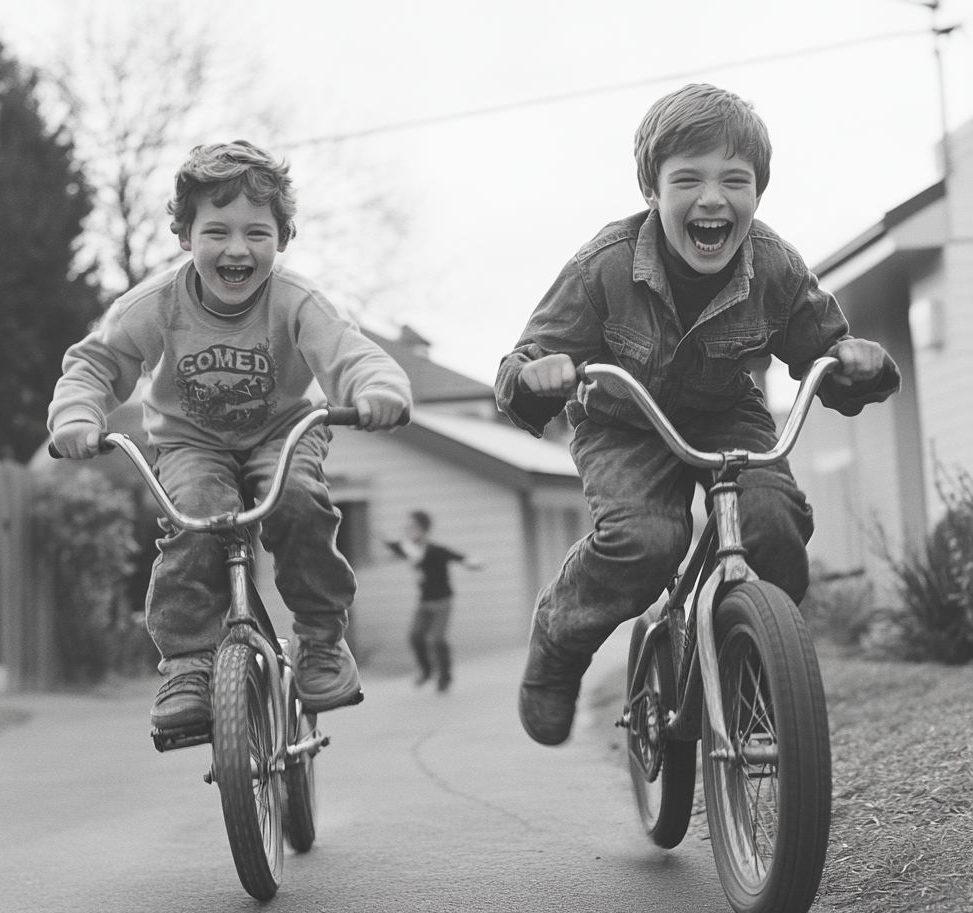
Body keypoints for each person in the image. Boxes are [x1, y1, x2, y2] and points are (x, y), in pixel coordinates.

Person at [495, 83, 900, 746]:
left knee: (773, 523)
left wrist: (858, 363)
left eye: (733, 181)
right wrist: (537, 376)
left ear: (756, 195)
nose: (712, 199)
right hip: (625, 420)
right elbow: (525, 363)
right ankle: (559, 642)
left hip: (725, 412)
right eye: (688, 179)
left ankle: (753, 668)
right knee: (647, 543)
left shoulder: (773, 263)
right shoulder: (604, 266)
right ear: (652, 191)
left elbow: (825, 348)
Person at [48, 140, 412, 733]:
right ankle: (189, 663)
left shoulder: (297, 301)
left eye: (257, 234)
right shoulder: (155, 304)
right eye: (216, 232)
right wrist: (76, 418)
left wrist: (376, 391)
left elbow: (349, 353)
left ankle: (321, 640)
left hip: (284, 434)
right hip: (191, 443)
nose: (237, 249)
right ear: (185, 236)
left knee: (297, 500)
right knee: (194, 516)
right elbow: (95, 364)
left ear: (284, 239)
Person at [384, 511, 483, 691]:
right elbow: (393, 544)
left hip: (443, 602)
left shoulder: (436, 550)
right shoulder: (408, 549)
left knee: (437, 639)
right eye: (407, 528)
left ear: (424, 529)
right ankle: (426, 671)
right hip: (424, 603)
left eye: (413, 528)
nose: (409, 531)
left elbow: (459, 557)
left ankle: (445, 676)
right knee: (415, 636)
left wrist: (472, 562)